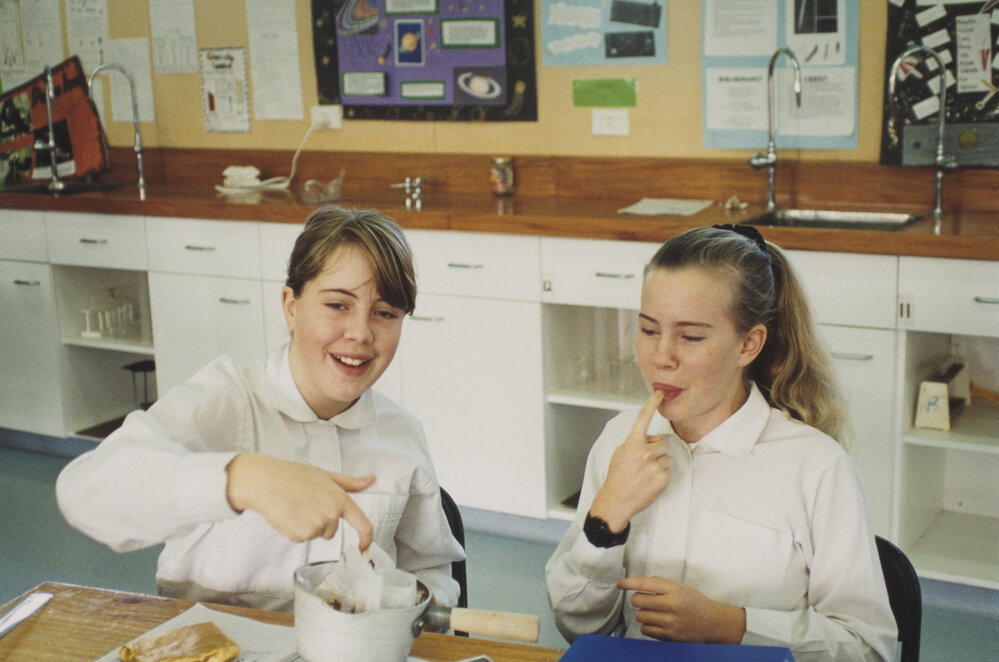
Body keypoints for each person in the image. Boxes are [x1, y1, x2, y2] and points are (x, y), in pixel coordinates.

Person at [57, 207, 464, 611]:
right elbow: (83, 492)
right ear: (291, 306)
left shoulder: (402, 435)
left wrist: (413, 613)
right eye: (337, 305)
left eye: (385, 313)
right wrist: (242, 478)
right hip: (214, 641)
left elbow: (430, 572)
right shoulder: (227, 399)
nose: (360, 332)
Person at [545, 225, 896, 662]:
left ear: (748, 344)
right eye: (649, 330)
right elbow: (579, 629)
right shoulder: (620, 440)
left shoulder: (818, 467)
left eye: (691, 337)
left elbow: (869, 648)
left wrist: (731, 625)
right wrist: (607, 516)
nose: (661, 357)